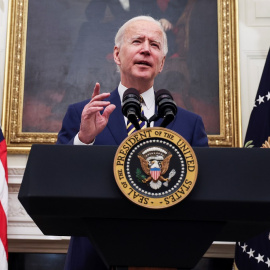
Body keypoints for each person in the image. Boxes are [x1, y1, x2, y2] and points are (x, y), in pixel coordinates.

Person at [57, 15, 208, 270]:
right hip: (93, 259)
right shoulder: (83, 114)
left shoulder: (189, 124)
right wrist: (84, 140)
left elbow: (204, 194)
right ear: (117, 55)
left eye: (155, 45)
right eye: (137, 41)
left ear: (161, 64)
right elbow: (57, 181)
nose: (146, 49)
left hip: (164, 257)